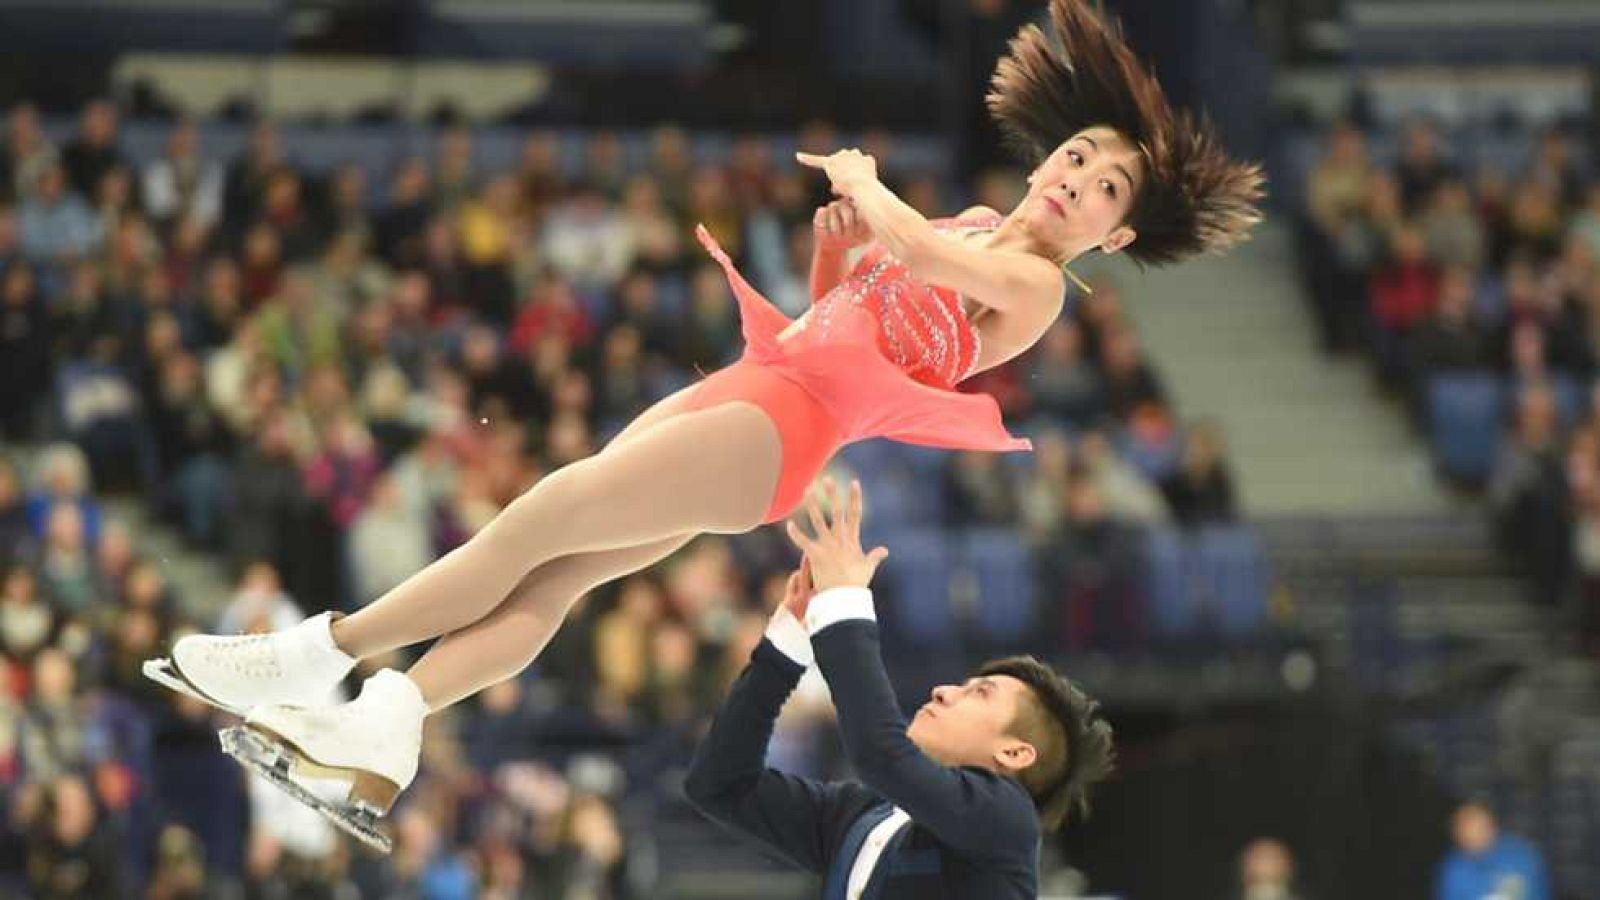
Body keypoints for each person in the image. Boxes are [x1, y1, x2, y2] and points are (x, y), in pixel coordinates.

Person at [149, 0, 1260, 833]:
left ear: (1114, 237)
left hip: (784, 428)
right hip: (763, 382)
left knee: (543, 514)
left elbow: (914, 254)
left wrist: (870, 187)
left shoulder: (1034, 285)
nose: (1078, 180)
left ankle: (317, 657)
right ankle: (384, 727)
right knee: (557, 576)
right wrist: (840, 231)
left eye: (1107, 190)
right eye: (1081, 158)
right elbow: (851, 292)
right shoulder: (978, 217)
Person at [686, 480, 1114, 897]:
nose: (946, 691)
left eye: (980, 692)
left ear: (1014, 752)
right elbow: (718, 784)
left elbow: (880, 753)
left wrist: (843, 601)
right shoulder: (859, 816)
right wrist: (786, 646)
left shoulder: (1006, 820)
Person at [1434, 801, 1549, 900]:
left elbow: (1540, 894)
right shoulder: (1452, 869)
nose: (1474, 834)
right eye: (1465, 828)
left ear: (1493, 826)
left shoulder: (1522, 856)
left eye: (1479, 826)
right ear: (1457, 836)